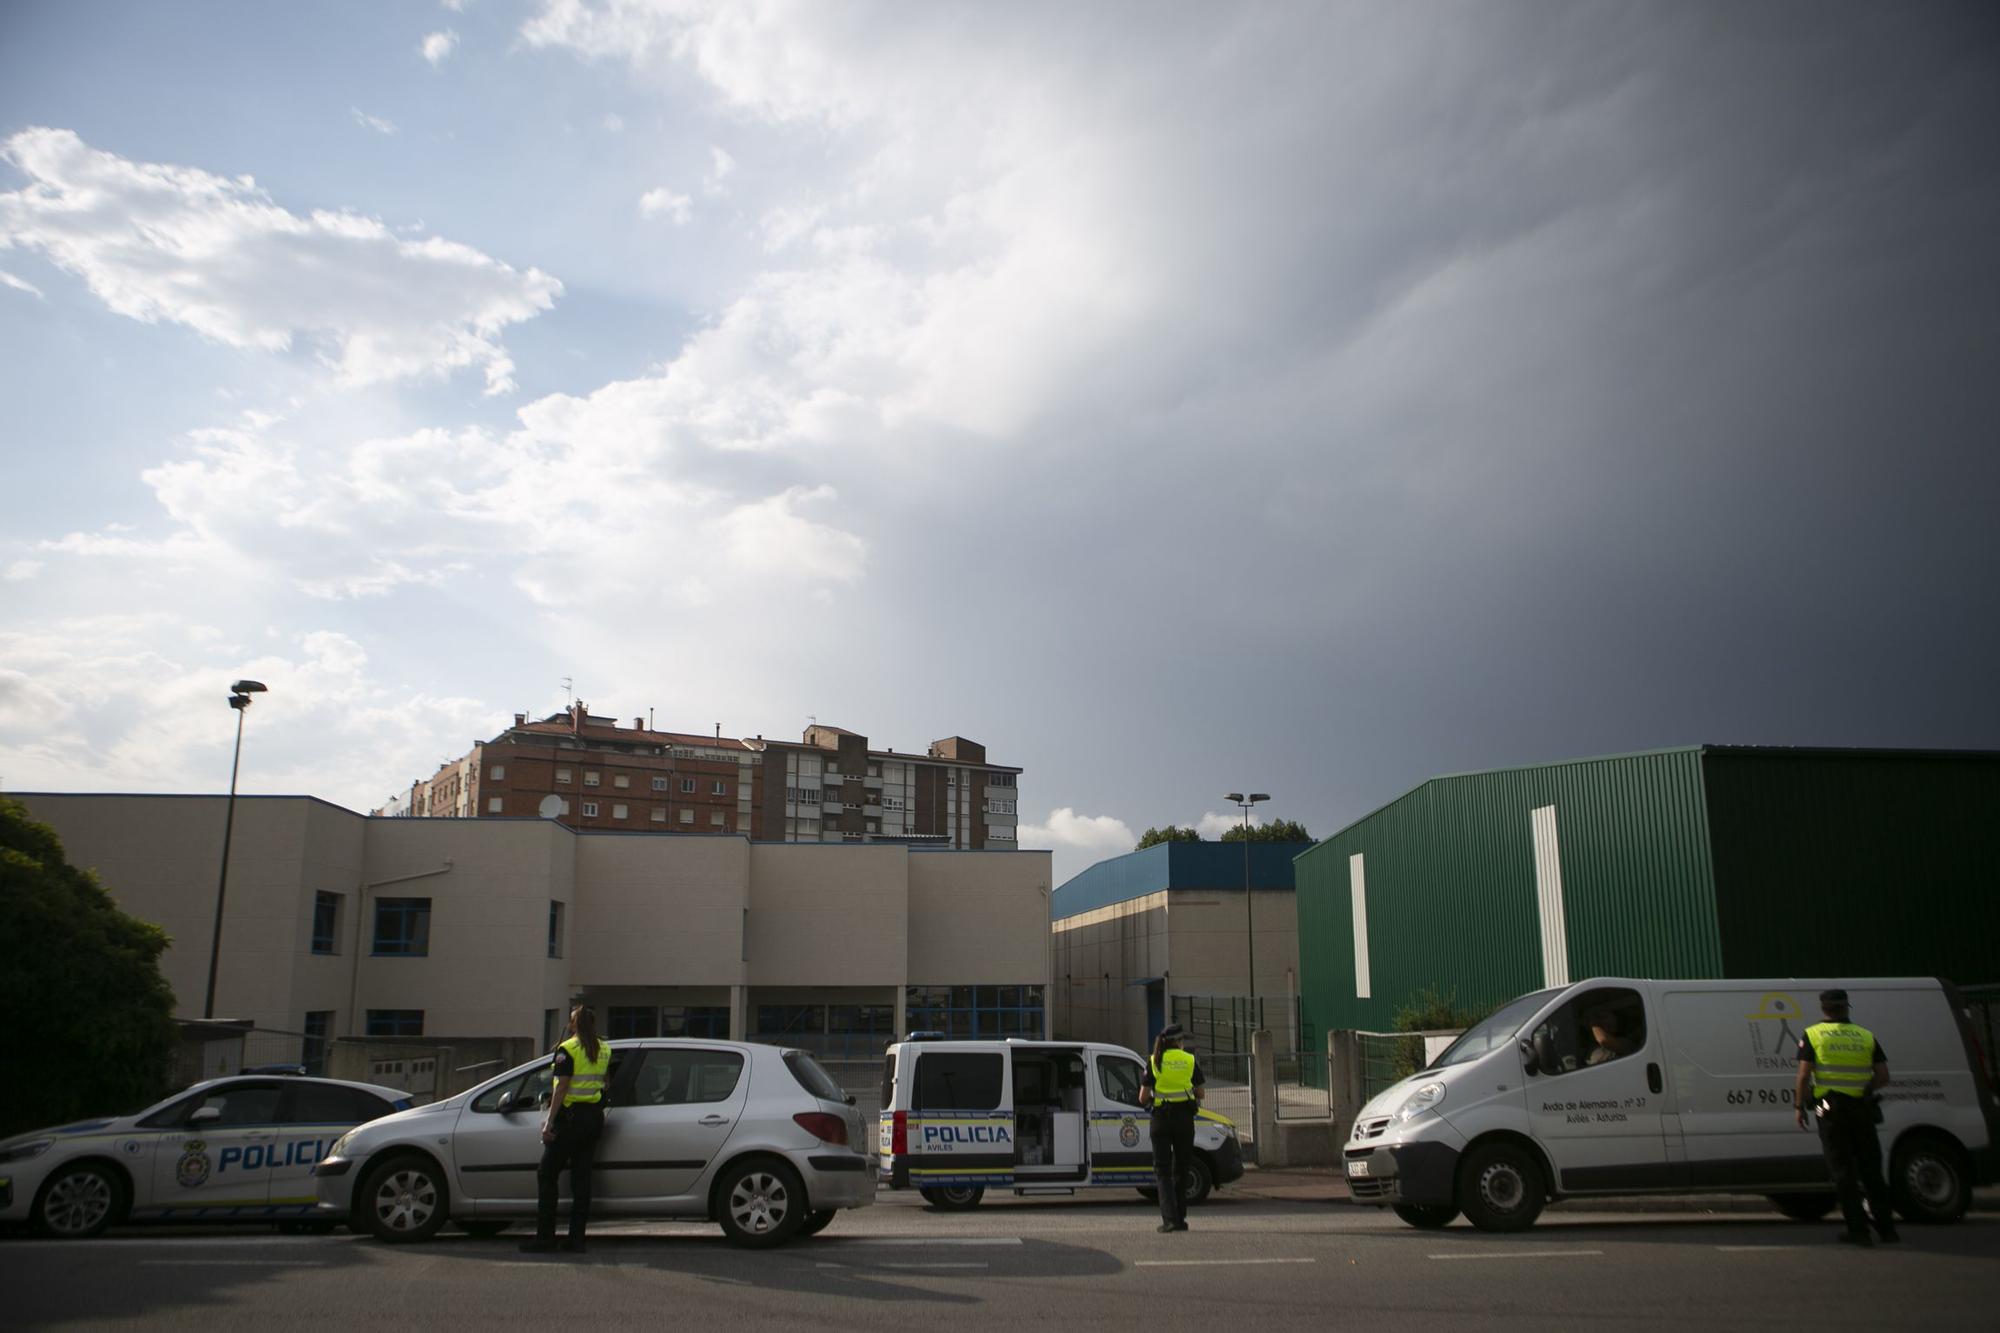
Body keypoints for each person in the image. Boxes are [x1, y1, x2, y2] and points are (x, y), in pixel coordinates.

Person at [1793, 987, 1898, 1246]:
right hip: (1862, 1109)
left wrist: (1800, 1106)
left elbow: (1804, 1075)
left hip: (1830, 1110)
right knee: (1871, 1170)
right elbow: (1883, 1076)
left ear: (1823, 1008)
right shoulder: (1865, 1036)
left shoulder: (1814, 1035)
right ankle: (1887, 1229)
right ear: (1846, 1007)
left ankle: (1858, 1230)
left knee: (1843, 1171)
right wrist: (1865, 1090)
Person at [521, 1005, 611, 1255]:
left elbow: (561, 1087)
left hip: (569, 1118)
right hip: (593, 1118)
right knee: (581, 1179)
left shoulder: (568, 1049)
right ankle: (576, 1239)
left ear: (573, 1024)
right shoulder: (604, 1048)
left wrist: (549, 1122)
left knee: (546, 1173)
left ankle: (545, 1238)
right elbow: (605, 1083)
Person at [1139, 1024, 1205, 1234]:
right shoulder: (1189, 1060)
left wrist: (1155, 1097)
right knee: (1182, 1169)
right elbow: (1201, 1093)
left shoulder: (1153, 1061)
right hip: (1184, 1120)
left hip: (1160, 1120)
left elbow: (1142, 1097)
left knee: (1163, 1171)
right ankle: (1181, 1219)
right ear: (1179, 1041)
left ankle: (1169, 1220)